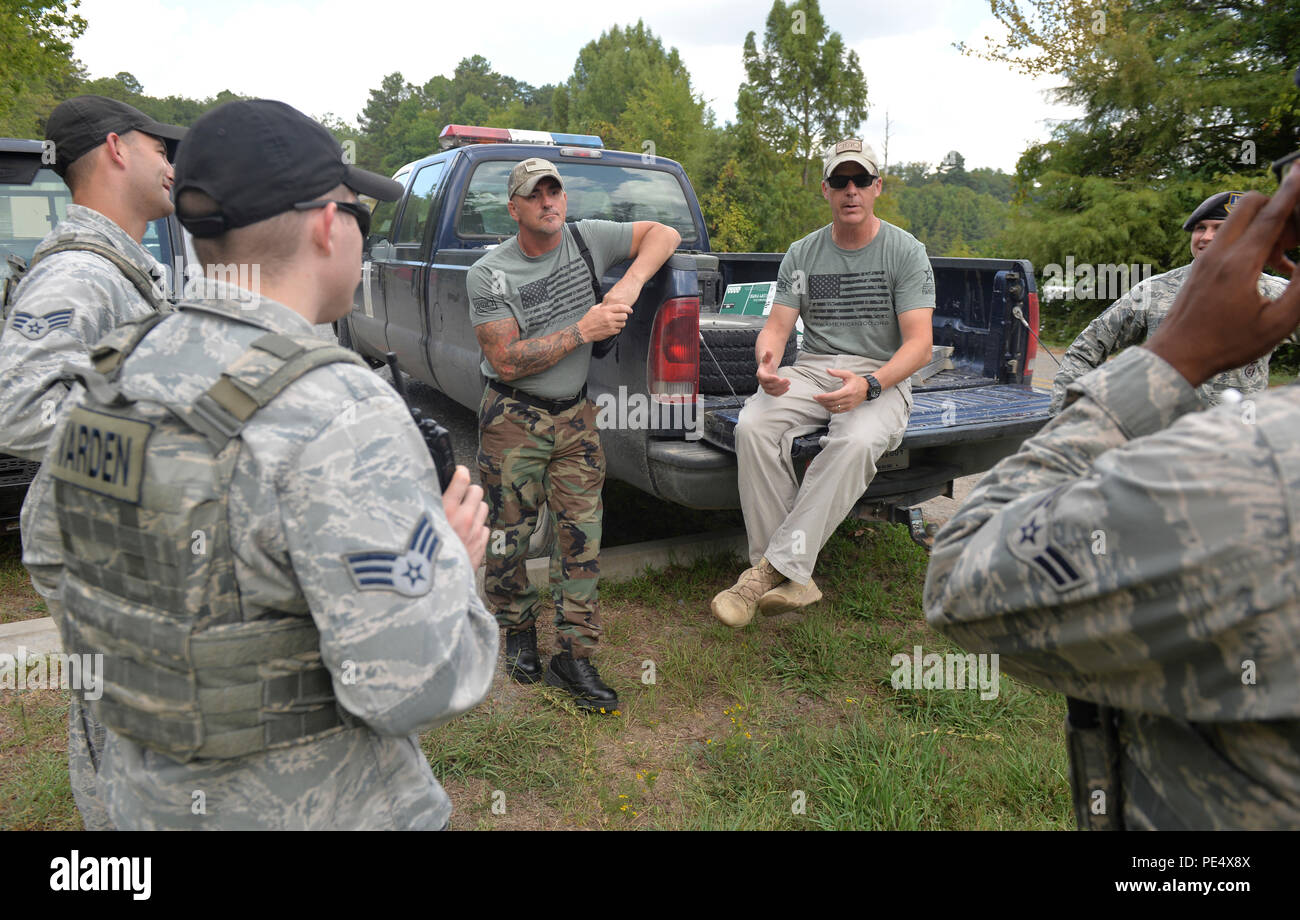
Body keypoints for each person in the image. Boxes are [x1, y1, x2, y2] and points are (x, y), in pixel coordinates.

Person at [32, 98, 498, 829]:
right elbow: (412, 687)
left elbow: (52, 555)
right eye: (359, 217)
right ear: (326, 222)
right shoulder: (337, 409)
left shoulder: (110, 375)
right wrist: (448, 568)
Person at [923, 159, 1300, 829]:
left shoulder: (1268, 308)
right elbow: (1086, 347)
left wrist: (1150, 375)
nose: (1211, 240)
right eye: (1203, 230)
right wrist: (1063, 404)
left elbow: (962, 580)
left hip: (1214, 476)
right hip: (1158, 470)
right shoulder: (1157, 295)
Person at [0, 94, 185, 830]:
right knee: (123, 751)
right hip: (105, 562)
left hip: (129, 551)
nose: (170, 165)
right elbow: (21, 409)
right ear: (116, 148)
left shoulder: (122, 267)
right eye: (159, 148)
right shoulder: (81, 273)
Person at [466, 157, 679, 711]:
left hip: (576, 418)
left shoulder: (587, 241)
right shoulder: (489, 273)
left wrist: (628, 285)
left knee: (582, 536)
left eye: (554, 191)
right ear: (514, 208)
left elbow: (664, 232)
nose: (548, 202)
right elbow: (506, 360)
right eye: (534, 195)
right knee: (509, 535)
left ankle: (573, 656)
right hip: (513, 417)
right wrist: (582, 329)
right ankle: (516, 629)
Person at [711, 139, 936, 628]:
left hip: (881, 374)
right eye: (840, 181)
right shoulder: (802, 253)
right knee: (753, 426)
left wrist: (871, 386)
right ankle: (794, 579)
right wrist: (767, 363)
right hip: (812, 367)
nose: (850, 190)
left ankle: (765, 574)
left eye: (860, 181)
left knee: (855, 440)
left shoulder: (905, 251)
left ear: (877, 187)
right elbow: (776, 326)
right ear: (826, 190)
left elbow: (918, 346)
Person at [1049, 191, 1290, 412]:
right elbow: (1087, 347)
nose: (1206, 237)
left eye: (1220, 229)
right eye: (1200, 228)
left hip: (1234, 442)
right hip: (1162, 442)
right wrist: (1063, 414)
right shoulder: (1156, 290)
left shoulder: (1277, 293)